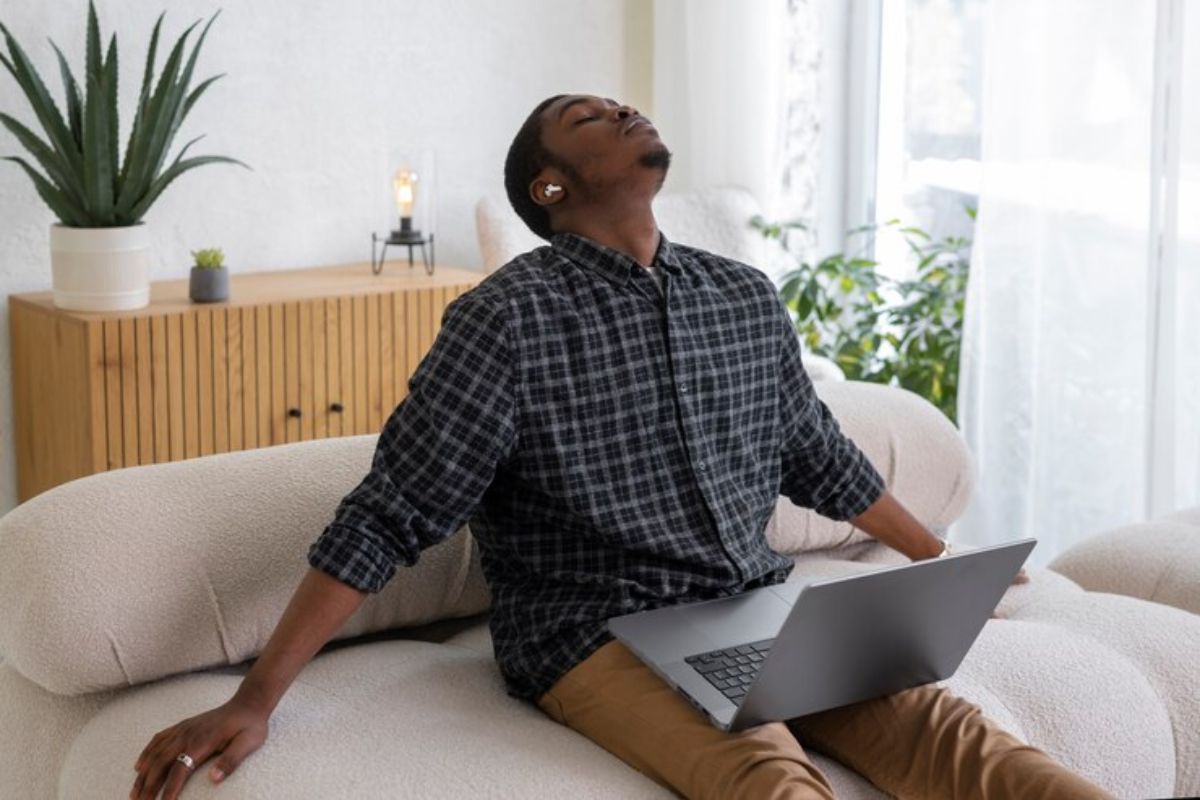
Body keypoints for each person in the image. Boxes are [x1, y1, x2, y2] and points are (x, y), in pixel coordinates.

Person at [128, 93, 1113, 800]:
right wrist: (257, 697)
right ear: (550, 185)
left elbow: (819, 455)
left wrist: (949, 563)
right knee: (771, 780)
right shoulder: (505, 320)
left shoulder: (741, 295)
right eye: (592, 118)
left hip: (757, 609)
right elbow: (393, 509)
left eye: (622, 106)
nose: (627, 111)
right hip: (595, 632)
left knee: (974, 747)